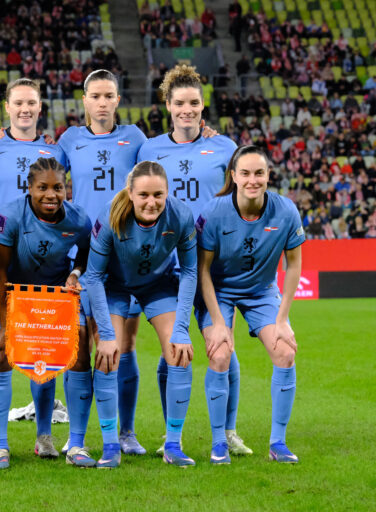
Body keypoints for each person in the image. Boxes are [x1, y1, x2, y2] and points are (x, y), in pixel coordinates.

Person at [137, 64, 252, 457]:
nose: (187, 110)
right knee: (173, 347)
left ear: (203, 106)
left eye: (194, 103)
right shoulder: (149, 150)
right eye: (180, 103)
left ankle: (229, 430)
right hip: (164, 262)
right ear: (168, 106)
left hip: (212, 263)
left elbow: (238, 200)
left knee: (223, 345)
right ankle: (174, 435)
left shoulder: (224, 147)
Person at [0, 79, 68, 460]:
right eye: (19, 103)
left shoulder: (55, 150)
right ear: (7, 107)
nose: (25, 109)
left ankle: (44, 437)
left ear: (40, 107)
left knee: (42, 354)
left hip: (44, 267)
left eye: (31, 103)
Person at [57, 69, 149, 457]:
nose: (102, 102)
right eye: (95, 96)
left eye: (109, 95)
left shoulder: (136, 138)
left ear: (117, 100)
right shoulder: (69, 140)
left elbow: (155, 177)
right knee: (78, 347)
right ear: (84, 101)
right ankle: (76, 435)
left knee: (123, 345)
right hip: (82, 253)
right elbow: (45, 176)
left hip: (125, 255)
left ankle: (125, 432)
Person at [84, 161, 198, 467]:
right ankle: (111, 446)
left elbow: (190, 271)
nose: (151, 202)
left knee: (179, 353)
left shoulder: (181, 216)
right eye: (144, 195)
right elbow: (92, 277)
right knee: (108, 355)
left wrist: (182, 329)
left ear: (167, 193)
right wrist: (107, 334)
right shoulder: (110, 216)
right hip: (114, 286)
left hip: (158, 284)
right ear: (130, 193)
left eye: (158, 195)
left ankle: (173, 444)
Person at [196, 145, 304, 464]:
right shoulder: (214, 212)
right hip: (218, 291)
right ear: (234, 176)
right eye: (245, 173)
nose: (252, 180)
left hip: (261, 292)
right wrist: (218, 323)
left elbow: (294, 264)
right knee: (220, 354)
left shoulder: (286, 211)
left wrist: (283, 319)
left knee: (285, 352)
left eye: (259, 173)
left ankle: (278, 443)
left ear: (269, 175)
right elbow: (202, 269)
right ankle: (219, 442)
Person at [0, 157, 92, 469]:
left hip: (55, 298)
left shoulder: (79, 220)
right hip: (14, 295)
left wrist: (75, 273)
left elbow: (86, 256)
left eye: (58, 187)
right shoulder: (9, 216)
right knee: (0, 354)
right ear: (29, 188)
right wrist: (5, 327)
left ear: (66, 188)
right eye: (42, 187)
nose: (51, 195)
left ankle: (69, 442)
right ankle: (0, 445)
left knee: (77, 351)